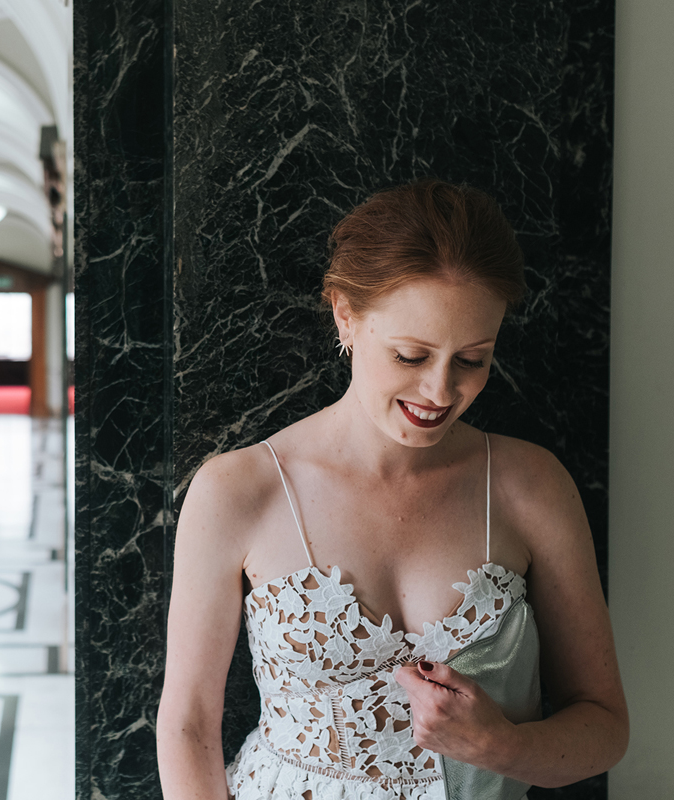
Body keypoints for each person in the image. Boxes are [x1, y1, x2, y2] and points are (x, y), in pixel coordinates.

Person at [156, 179, 628, 800]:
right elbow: (188, 723)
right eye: (410, 355)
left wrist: (502, 747)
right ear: (345, 316)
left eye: (472, 360)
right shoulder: (238, 491)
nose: (439, 392)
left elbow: (604, 725)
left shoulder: (530, 486)